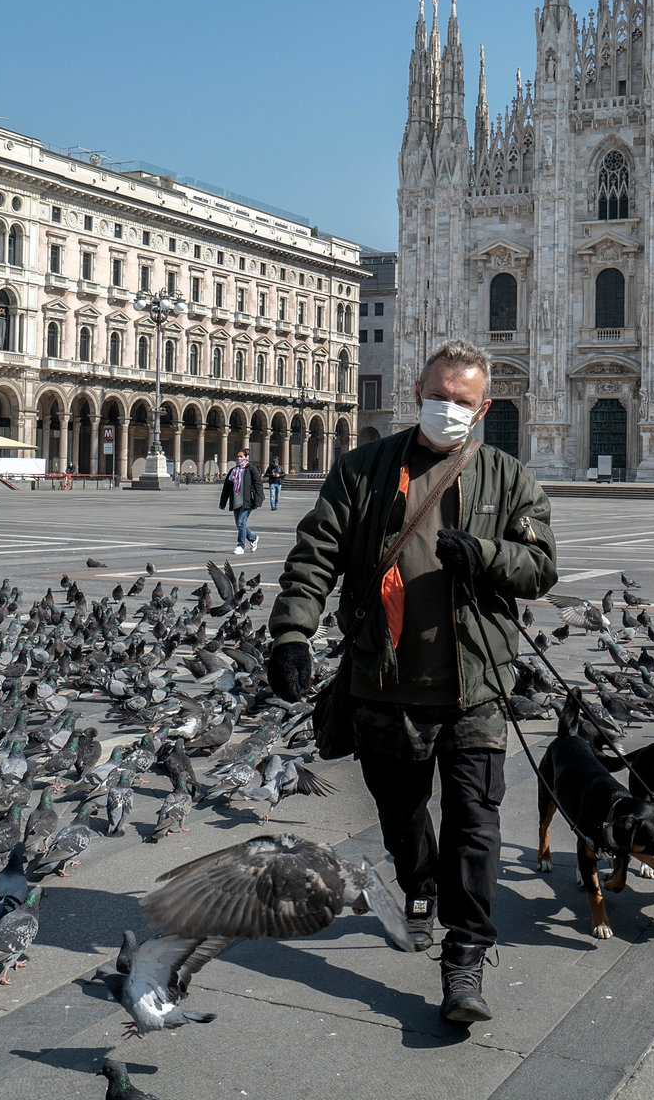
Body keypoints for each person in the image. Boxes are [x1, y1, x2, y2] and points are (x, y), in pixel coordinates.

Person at [268, 339, 556, 1027]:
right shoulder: (366, 469)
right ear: (416, 390)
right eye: (438, 395)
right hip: (385, 680)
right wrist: (290, 632)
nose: (447, 409)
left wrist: (485, 555)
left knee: (475, 829)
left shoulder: (507, 478)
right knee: (400, 818)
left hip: (475, 685)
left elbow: (541, 568)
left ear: (484, 408)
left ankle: (464, 957)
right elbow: (316, 552)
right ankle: (419, 879)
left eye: (462, 401)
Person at [218, 449, 264, 555]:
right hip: (235, 501)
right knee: (239, 524)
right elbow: (226, 488)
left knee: (241, 523)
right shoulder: (233, 471)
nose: (238, 458)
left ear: (246, 458)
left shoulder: (251, 469)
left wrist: (258, 500)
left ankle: (240, 546)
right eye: (237, 457)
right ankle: (253, 539)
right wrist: (222, 503)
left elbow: (258, 485)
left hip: (247, 501)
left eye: (240, 456)